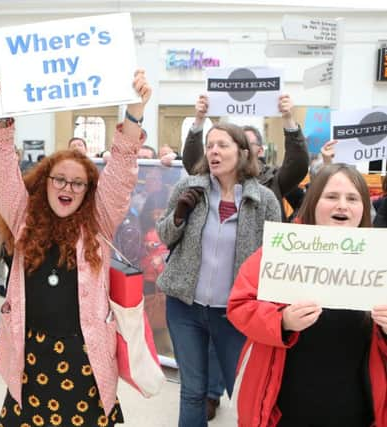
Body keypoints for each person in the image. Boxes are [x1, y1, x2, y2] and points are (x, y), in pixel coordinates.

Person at [0, 69, 151, 427]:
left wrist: (134, 113)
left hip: (85, 356)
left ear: (88, 192)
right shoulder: (23, 217)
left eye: (78, 183)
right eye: (60, 179)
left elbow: (121, 170)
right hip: (29, 356)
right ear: (45, 182)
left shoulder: (98, 222)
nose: (68, 188)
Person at [227, 163, 387, 427]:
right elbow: (239, 305)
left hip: (356, 408)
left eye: (352, 198)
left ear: (364, 208)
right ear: (313, 201)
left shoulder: (379, 259)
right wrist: (282, 321)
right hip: (286, 406)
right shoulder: (284, 249)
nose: (342, 206)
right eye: (332, 197)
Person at [156, 122, 281, 427]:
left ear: (242, 152)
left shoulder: (264, 201)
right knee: (193, 391)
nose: (213, 150)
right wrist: (179, 216)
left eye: (222, 145)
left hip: (237, 314)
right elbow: (165, 235)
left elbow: (275, 259)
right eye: (210, 145)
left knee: (241, 393)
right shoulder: (188, 188)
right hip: (185, 308)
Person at [182, 94, 309, 221]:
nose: (243, 148)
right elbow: (194, 164)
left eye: (249, 143)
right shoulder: (215, 177)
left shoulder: (271, 180)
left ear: (259, 151)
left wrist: (288, 118)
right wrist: (199, 119)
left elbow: (297, 165)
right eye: (238, 143)